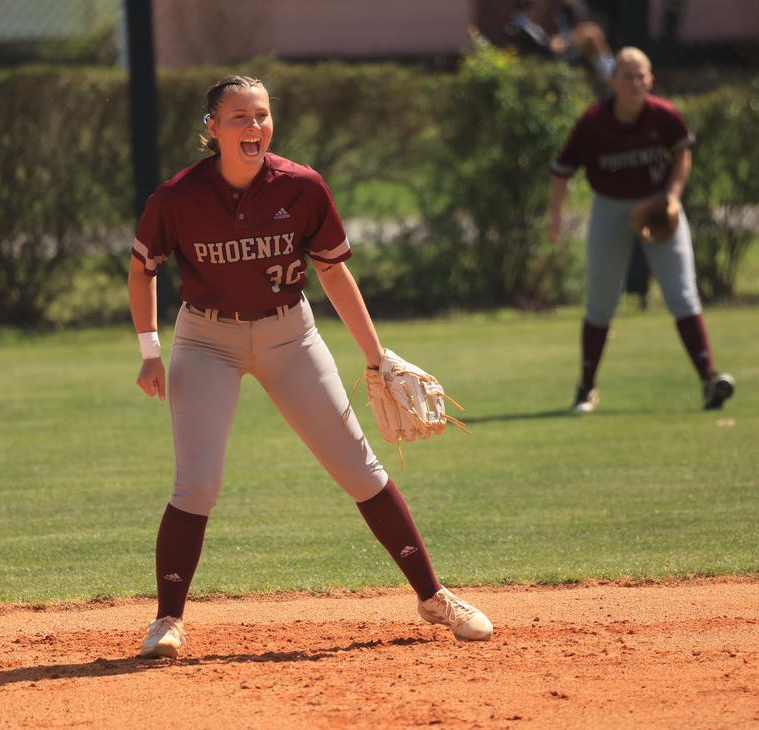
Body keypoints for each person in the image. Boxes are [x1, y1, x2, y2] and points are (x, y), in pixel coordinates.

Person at [128, 75, 493, 658]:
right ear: (212, 129)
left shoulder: (301, 187)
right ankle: (167, 620)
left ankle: (434, 596)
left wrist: (376, 356)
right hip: (206, 340)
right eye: (240, 117)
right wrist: (150, 350)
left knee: (359, 467)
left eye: (262, 115)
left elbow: (333, 272)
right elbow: (143, 268)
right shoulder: (178, 197)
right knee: (197, 484)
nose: (255, 126)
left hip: (289, 336)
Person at [547, 47, 735, 413]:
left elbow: (682, 154)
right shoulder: (593, 122)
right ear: (612, 81)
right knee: (601, 302)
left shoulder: (664, 115)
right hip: (610, 208)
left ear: (651, 80)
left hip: (657, 205)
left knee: (682, 293)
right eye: (627, 76)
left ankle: (709, 380)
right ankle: (586, 388)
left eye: (640, 76)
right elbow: (561, 170)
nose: (634, 83)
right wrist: (556, 216)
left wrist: (673, 197)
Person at [505, 0, 617, 83]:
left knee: (591, 33)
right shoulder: (520, 28)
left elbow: (543, 46)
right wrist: (562, 44)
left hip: (555, 58)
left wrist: (558, 42)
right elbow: (542, 54)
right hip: (551, 66)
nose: (544, 7)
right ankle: (612, 75)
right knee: (590, 35)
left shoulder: (528, 25)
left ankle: (612, 74)